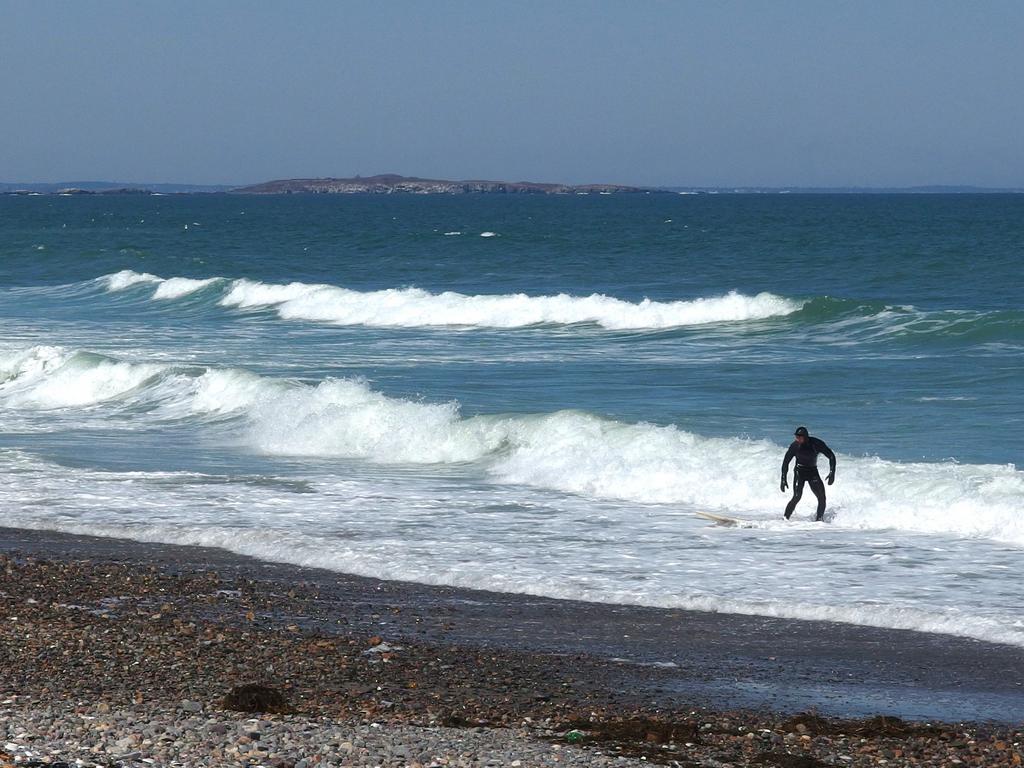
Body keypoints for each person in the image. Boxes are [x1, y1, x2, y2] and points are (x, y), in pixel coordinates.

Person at [780, 426, 836, 521]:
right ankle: (785, 519)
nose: (797, 439)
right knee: (797, 496)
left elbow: (831, 456)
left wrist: (832, 472)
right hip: (799, 471)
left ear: (805, 437)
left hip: (812, 472)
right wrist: (783, 478)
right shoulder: (795, 446)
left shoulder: (816, 444)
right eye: (796, 436)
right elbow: (786, 462)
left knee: (822, 497)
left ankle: (819, 520)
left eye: (799, 437)